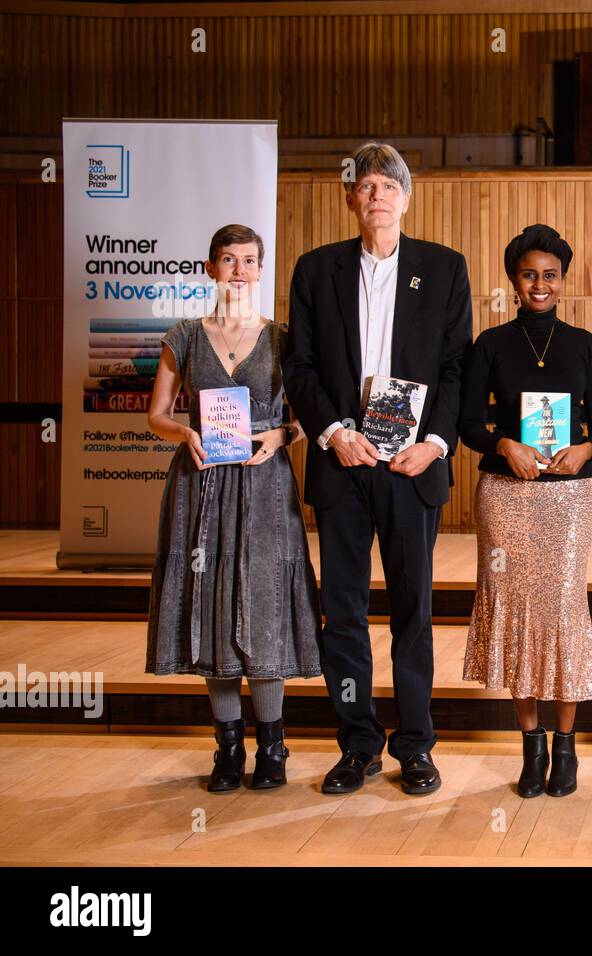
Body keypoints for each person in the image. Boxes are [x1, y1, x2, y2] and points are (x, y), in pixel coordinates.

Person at [282, 142, 472, 797]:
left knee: (413, 613)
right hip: (343, 464)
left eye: (389, 185)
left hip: (411, 466)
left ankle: (415, 747)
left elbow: (455, 370)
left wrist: (438, 443)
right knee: (344, 613)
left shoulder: (445, 269)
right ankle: (357, 744)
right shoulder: (314, 271)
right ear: (350, 199)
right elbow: (298, 368)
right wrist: (333, 433)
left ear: (406, 196)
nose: (378, 196)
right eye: (365, 187)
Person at [145, 223, 321, 793]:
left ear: (260, 269)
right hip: (203, 485)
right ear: (210, 268)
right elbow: (158, 414)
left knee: (263, 604)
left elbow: (304, 417)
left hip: (264, 484)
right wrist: (184, 434)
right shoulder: (184, 335)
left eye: (249, 261)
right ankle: (227, 749)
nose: (239, 271)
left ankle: (273, 747)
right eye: (228, 260)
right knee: (213, 606)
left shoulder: (284, 338)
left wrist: (281, 437)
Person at [459, 224, 592, 798]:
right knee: (517, 614)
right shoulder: (490, 344)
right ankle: (531, 748)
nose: (539, 284)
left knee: (564, 613)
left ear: (562, 280)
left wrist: (587, 447)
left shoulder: (583, 343)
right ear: (513, 281)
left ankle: (566, 747)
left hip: (567, 497)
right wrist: (504, 445)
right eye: (529, 274)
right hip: (506, 497)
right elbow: (467, 423)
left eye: (550, 275)